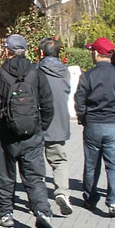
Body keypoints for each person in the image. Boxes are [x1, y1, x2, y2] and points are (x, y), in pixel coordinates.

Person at [0, 34, 55, 228]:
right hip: (32, 134)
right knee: (34, 176)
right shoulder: (36, 73)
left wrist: (3, 123)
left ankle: (5, 213)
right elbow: (48, 104)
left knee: (5, 175)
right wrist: (39, 126)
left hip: (7, 135)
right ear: (25, 51)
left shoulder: (0, 75)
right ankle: (42, 211)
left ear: (7, 51)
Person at [74, 37, 115, 218]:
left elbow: (80, 101)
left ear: (95, 53)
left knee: (91, 165)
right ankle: (114, 200)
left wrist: (83, 119)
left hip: (93, 124)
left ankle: (90, 198)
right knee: (114, 165)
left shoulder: (87, 76)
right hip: (114, 124)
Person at [37, 37, 73, 215]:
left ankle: (38, 198)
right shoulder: (65, 71)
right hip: (59, 122)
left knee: (35, 162)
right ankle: (62, 192)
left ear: (41, 53)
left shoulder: (36, 70)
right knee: (59, 161)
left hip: (38, 121)